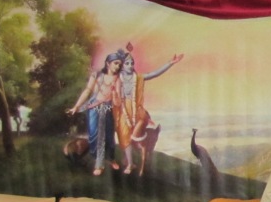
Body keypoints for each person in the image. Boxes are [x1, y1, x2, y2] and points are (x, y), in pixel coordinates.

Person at [113, 44, 184, 176]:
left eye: (132, 63)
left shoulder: (139, 77)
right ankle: (129, 162)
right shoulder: (117, 78)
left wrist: (170, 63)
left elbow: (154, 73)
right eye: (127, 63)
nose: (130, 66)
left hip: (138, 111)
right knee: (123, 136)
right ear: (122, 65)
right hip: (122, 110)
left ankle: (134, 160)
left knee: (135, 135)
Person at [67, 50, 125, 176]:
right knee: (94, 135)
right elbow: (87, 91)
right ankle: (101, 159)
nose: (117, 66)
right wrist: (76, 106)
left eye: (119, 64)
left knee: (107, 136)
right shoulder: (97, 75)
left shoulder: (118, 80)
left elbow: (118, 102)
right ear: (108, 63)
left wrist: (115, 95)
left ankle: (104, 162)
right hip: (94, 108)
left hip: (107, 109)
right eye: (115, 63)